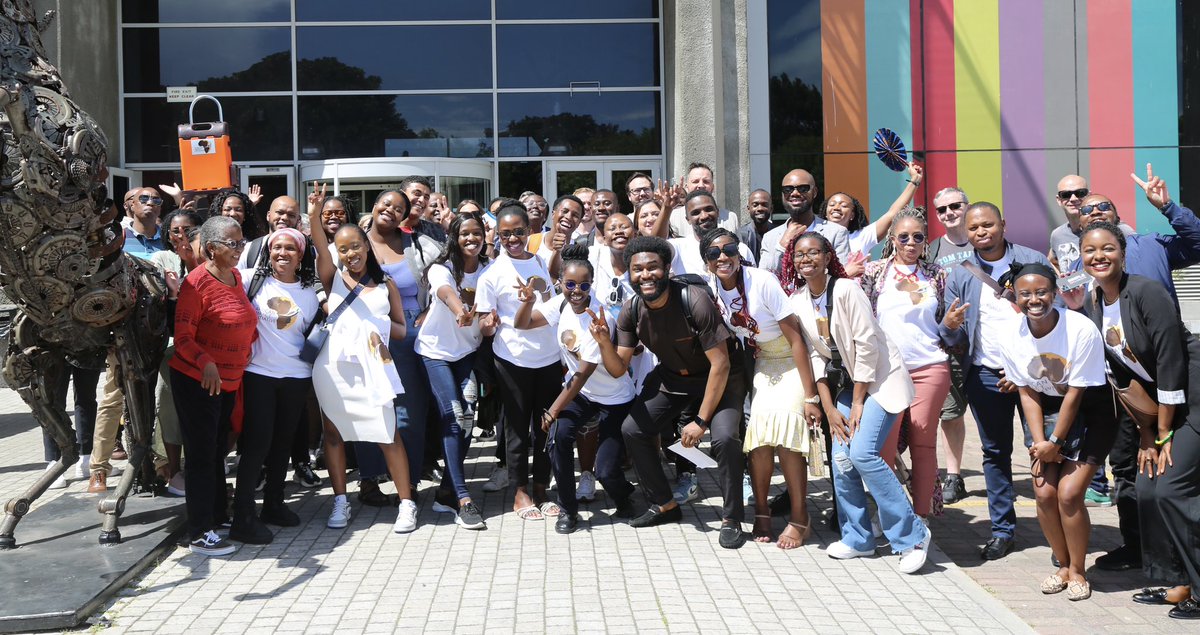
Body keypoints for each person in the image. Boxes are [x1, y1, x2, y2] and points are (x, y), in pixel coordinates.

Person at [781, 232, 929, 574]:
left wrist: (858, 402)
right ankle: (859, 538)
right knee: (842, 460)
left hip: (880, 380)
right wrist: (830, 408)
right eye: (800, 254)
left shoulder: (847, 289)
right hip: (847, 385)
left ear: (827, 255)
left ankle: (913, 536)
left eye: (814, 253)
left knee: (862, 453)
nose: (807, 260)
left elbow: (867, 347)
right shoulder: (799, 300)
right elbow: (818, 359)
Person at [1075, 221, 1200, 619]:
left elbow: (1170, 363)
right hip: (1162, 409)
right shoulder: (1096, 303)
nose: (1099, 256)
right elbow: (1123, 378)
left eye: (1108, 249)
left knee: (1172, 491)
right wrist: (1148, 434)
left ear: (1123, 254)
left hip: (1192, 398)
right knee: (1146, 489)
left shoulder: (1147, 291)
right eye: (1090, 251)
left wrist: (1162, 433)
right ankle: (1176, 581)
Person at [614, 236, 749, 549]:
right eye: (637, 269)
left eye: (652, 267)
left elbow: (721, 364)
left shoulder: (693, 300)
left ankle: (732, 518)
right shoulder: (631, 308)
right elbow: (619, 365)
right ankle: (664, 503)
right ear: (628, 273)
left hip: (722, 377)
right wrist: (600, 341)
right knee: (633, 429)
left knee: (725, 438)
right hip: (674, 377)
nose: (645, 275)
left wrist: (700, 421)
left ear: (667, 269)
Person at [941, 202, 1054, 560]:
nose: (981, 233)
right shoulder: (960, 273)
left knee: (1045, 449)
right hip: (986, 377)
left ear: (1003, 224)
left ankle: (1057, 529)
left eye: (988, 225)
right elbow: (951, 336)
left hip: (1035, 375)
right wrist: (951, 327)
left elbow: (1055, 317)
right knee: (995, 454)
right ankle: (1003, 530)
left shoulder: (1033, 259)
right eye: (974, 228)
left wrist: (1021, 370)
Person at [994, 262, 1112, 601]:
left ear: (1055, 291)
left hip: (1091, 409)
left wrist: (1056, 442)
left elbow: (1076, 392)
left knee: (1069, 494)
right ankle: (1061, 565)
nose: (1034, 299)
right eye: (1025, 293)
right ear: (1015, 296)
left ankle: (1078, 570)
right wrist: (1040, 443)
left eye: (1042, 291)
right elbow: (1027, 391)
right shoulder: (1010, 333)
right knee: (1044, 492)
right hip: (1046, 411)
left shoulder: (1080, 329)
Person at [306, 185, 418, 534]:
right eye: (344, 249)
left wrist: (380, 327)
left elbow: (400, 328)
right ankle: (341, 500)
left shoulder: (387, 286)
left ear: (366, 246)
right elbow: (320, 246)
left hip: (374, 367)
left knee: (388, 434)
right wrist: (314, 213)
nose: (350, 253)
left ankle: (406, 503)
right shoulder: (333, 278)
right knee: (334, 435)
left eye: (356, 246)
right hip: (333, 367)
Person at [700, 228, 822, 548]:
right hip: (764, 362)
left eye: (729, 250)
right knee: (760, 439)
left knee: (787, 434)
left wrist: (811, 396)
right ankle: (762, 511)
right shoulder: (712, 290)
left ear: (739, 253)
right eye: (714, 253)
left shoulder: (762, 281)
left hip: (793, 360)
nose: (723, 257)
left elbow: (796, 339)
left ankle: (800, 516)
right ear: (708, 262)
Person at [514, 244, 637, 534]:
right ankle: (568, 510)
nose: (576, 290)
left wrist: (553, 409)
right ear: (560, 283)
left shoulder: (598, 317)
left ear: (591, 284)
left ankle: (624, 496)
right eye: (570, 284)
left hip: (614, 398)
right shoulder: (559, 304)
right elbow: (523, 324)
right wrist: (528, 301)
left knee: (606, 470)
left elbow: (582, 372)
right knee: (558, 440)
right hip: (583, 396)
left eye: (583, 284)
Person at [170, 216, 258, 557]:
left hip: (228, 380)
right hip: (198, 382)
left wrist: (247, 344)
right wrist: (206, 361)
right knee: (203, 456)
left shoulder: (234, 275)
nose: (239, 250)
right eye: (232, 244)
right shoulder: (196, 284)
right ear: (210, 249)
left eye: (241, 242)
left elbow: (242, 317)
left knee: (218, 451)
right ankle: (199, 532)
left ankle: (217, 516)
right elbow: (183, 338)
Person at [230, 228, 322, 545]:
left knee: (283, 444)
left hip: (297, 376)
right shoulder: (250, 281)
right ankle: (242, 514)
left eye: (290, 248)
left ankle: (273, 504)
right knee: (257, 445)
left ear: (301, 255)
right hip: (258, 374)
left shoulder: (312, 292)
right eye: (276, 247)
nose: (282, 253)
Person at [859, 207, 953, 519]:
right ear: (893, 240)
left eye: (918, 237)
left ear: (926, 241)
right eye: (904, 237)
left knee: (923, 442)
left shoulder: (937, 274)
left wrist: (951, 324)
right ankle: (889, 515)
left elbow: (943, 321)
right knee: (882, 447)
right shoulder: (874, 272)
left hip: (930, 366)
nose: (911, 243)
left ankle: (922, 517)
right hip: (887, 370)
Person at [354, 184, 442, 506]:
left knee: (410, 412)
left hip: (409, 335)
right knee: (370, 408)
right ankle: (368, 480)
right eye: (386, 204)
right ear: (375, 205)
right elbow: (330, 278)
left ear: (406, 217)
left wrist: (429, 312)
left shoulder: (417, 245)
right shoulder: (354, 242)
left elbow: (446, 277)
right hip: (367, 334)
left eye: (398, 209)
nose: (390, 211)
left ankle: (410, 480)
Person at [474, 203, 563, 520]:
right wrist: (487, 324)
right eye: (505, 233)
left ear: (529, 232)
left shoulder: (538, 260)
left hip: (549, 358)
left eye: (519, 232)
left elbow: (551, 305)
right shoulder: (491, 275)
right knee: (516, 430)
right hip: (513, 360)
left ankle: (542, 488)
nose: (512, 238)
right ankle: (521, 493)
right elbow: (485, 324)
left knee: (546, 428)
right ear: (497, 235)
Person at [416, 211, 492, 530]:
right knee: (453, 414)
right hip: (435, 351)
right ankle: (462, 497)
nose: (471, 239)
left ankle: (447, 490)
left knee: (468, 416)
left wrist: (488, 323)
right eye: (464, 234)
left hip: (467, 353)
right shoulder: (441, 268)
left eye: (477, 233)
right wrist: (462, 310)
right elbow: (445, 292)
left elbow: (491, 316)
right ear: (455, 238)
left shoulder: (490, 269)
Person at [925, 186, 975, 505]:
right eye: (942, 210)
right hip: (952, 343)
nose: (949, 213)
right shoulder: (931, 250)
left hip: (991, 343)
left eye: (954, 206)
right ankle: (954, 476)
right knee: (951, 413)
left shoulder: (986, 242)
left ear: (967, 206)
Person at [149, 209, 204, 495]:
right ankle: (173, 468)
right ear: (167, 236)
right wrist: (173, 292)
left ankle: (202, 467)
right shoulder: (162, 261)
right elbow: (161, 311)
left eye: (189, 229)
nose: (182, 236)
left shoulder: (208, 260)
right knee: (169, 408)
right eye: (176, 231)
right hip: (173, 349)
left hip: (207, 349)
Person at [820, 164, 923, 262]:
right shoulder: (814, 234)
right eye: (832, 205)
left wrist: (915, 180)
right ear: (825, 212)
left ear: (852, 215)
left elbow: (892, 214)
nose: (836, 208)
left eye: (843, 205)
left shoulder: (862, 236)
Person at [760, 169, 850, 272]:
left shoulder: (836, 233)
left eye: (803, 188)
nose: (795, 193)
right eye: (788, 189)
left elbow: (840, 276)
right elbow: (765, 277)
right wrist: (782, 246)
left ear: (814, 192)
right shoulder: (770, 237)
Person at [666, 162, 740, 240]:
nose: (701, 185)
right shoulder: (673, 217)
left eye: (706, 181)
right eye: (695, 181)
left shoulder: (731, 218)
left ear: (712, 187)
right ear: (686, 187)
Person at [737, 189, 777, 261]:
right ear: (748, 209)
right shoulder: (740, 235)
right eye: (755, 205)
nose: (760, 208)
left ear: (771, 208)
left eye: (764, 205)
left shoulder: (779, 234)